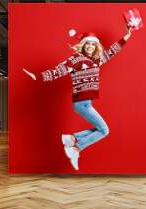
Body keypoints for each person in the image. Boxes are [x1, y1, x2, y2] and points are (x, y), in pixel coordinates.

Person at [25, 26, 132, 170]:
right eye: (87, 43)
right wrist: (38, 76)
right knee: (104, 130)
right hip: (82, 103)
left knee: (100, 129)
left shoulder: (96, 60)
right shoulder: (75, 59)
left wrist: (126, 37)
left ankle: (72, 139)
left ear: (96, 46)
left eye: (93, 44)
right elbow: (59, 70)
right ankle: (75, 148)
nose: (90, 46)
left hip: (86, 102)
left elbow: (111, 52)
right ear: (83, 45)